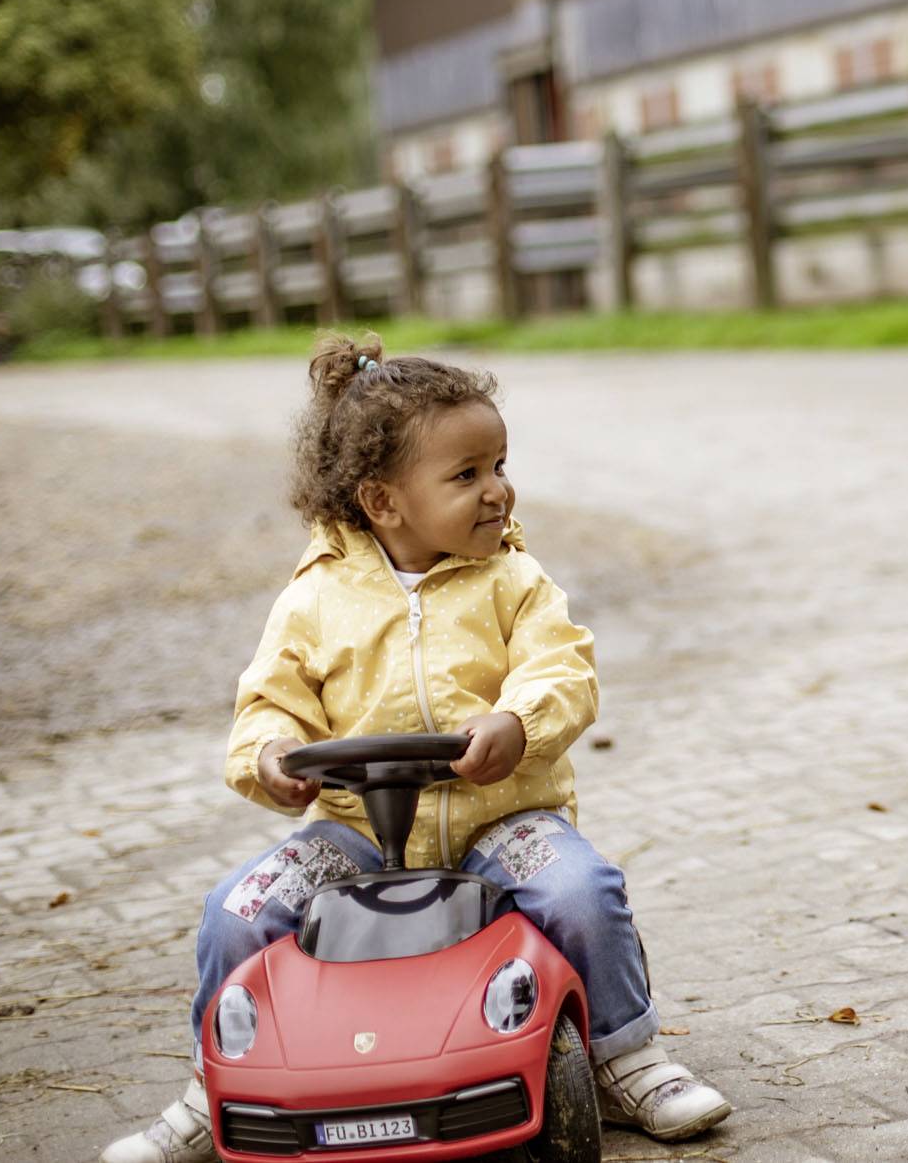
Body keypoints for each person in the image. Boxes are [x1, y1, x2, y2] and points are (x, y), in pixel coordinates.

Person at [102, 335, 730, 1162]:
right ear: (384, 500)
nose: (498, 489)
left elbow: (563, 669)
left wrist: (517, 723)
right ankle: (210, 1082)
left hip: (497, 819)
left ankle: (625, 1054)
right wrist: (270, 758)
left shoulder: (515, 581)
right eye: (466, 475)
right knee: (236, 911)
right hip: (353, 834)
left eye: (500, 464)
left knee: (582, 889)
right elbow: (268, 705)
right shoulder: (315, 598)